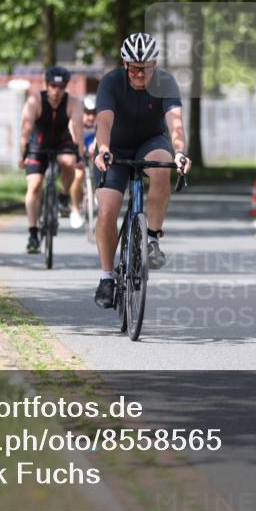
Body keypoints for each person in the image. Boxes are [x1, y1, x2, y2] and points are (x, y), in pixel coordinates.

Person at [92, 33, 191, 309]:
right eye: (134, 68)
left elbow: (175, 122)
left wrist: (180, 152)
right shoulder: (111, 82)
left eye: (145, 68)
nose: (139, 74)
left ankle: (152, 238)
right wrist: (103, 149)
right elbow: (104, 121)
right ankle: (107, 277)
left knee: (162, 166)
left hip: (150, 142)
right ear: (125, 64)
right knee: (107, 210)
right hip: (115, 148)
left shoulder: (165, 82)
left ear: (154, 65)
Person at [19, 65, 85, 254]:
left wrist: (79, 155)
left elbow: (78, 131)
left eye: (61, 87)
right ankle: (33, 234)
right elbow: (26, 129)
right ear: (46, 85)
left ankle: (64, 196)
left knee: (69, 162)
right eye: (53, 86)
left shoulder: (73, 102)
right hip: (38, 145)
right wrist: (22, 155)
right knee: (34, 186)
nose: (57, 91)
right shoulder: (35, 100)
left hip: (63, 142)